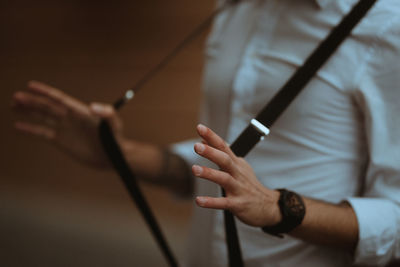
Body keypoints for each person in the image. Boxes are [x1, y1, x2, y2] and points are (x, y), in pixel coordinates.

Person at [12, 0, 400, 266]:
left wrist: (277, 207)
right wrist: (118, 153)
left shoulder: (387, 25)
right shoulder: (236, 8)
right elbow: (216, 167)